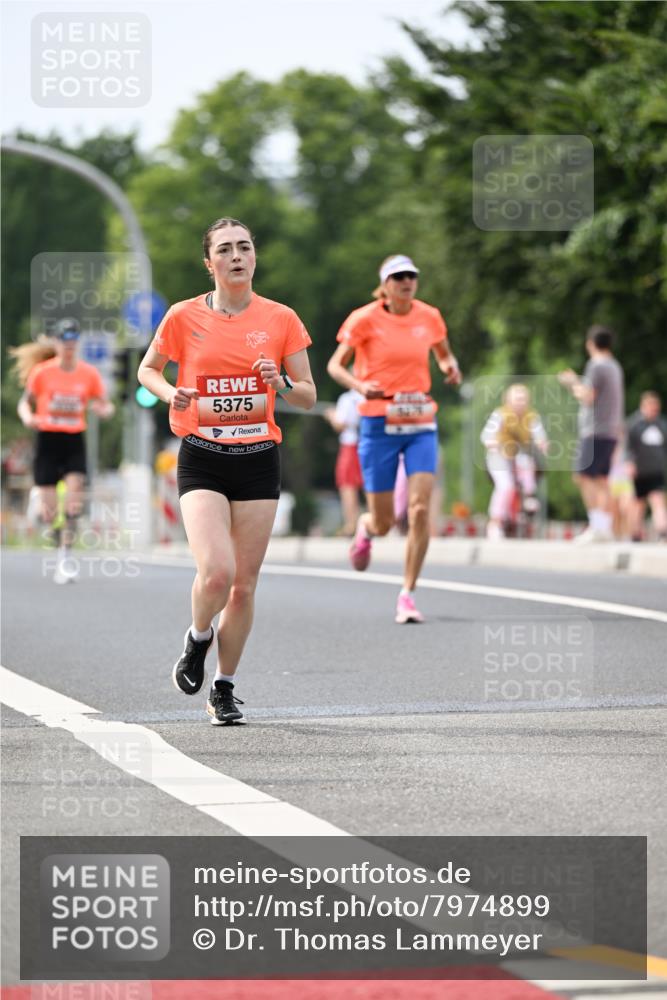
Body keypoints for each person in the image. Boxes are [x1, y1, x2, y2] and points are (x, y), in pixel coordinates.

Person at [138, 217, 316, 726]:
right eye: (226, 249)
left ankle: (224, 686)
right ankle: (197, 638)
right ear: (210, 263)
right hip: (202, 454)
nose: (237, 255)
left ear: (254, 258)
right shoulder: (182, 315)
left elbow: (308, 393)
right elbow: (147, 369)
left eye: (245, 247)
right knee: (217, 572)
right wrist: (173, 393)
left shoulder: (281, 318)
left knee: (244, 585)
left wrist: (279, 381)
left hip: (258, 458)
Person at [327, 253, 461, 623]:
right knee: (385, 521)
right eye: (398, 277)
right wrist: (359, 386)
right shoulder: (364, 318)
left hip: (420, 419)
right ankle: (367, 529)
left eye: (411, 276)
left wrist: (451, 369)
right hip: (377, 423)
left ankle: (408, 594)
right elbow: (335, 365)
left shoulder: (429, 316)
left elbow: (444, 356)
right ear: (385, 284)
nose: (406, 282)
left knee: (419, 509)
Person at [13, 319, 115, 582]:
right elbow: (24, 404)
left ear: (76, 344)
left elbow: (105, 404)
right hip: (48, 439)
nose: (69, 347)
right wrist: (28, 417)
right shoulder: (42, 373)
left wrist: (103, 410)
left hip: (73, 441)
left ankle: (65, 558)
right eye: (64, 342)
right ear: (57, 344)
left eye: (73, 342)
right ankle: (41, 504)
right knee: (49, 512)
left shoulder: (88, 374)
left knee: (73, 498)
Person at [558, 325, 624, 544]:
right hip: (611, 430)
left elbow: (588, 397)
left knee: (584, 477)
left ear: (590, 343)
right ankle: (604, 528)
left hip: (595, 430)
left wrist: (572, 382)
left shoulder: (596, 365)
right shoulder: (615, 366)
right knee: (602, 479)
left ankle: (596, 526)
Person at [480, 384, 548, 539]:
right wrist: (493, 443)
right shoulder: (500, 414)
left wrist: (542, 443)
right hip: (499, 456)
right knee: (505, 487)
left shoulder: (531, 416)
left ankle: (529, 495)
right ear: (508, 400)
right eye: (517, 399)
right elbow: (486, 435)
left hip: (519, 455)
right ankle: (495, 523)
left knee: (527, 464)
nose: (521, 403)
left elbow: (539, 434)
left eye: (523, 399)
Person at [625, 391, 667, 542]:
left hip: (656, 470)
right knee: (638, 504)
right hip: (640, 471)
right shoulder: (634, 424)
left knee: (658, 500)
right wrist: (629, 463)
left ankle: (663, 531)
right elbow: (627, 448)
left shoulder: (662, 425)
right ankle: (635, 533)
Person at [324, 388, 365, 536]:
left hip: (350, 445)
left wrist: (331, 415)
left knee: (347, 484)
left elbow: (340, 424)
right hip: (369, 443)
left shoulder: (348, 398)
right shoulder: (371, 397)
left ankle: (351, 525)